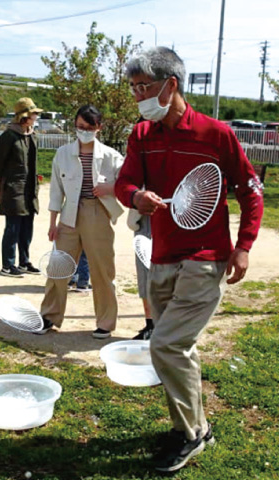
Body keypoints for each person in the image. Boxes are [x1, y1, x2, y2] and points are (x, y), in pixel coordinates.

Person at [115, 47, 263, 472]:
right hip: (161, 255)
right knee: (177, 349)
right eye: (134, 88)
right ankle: (189, 425)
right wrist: (135, 196)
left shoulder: (216, 134)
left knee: (165, 344)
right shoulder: (142, 136)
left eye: (144, 87)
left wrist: (244, 245)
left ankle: (193, 434)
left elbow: (250, 190)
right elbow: (125, 181)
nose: (138, 95)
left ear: (170, 85)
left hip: (205, 258)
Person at [39, 105, 124, 337]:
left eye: (88, 127)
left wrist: (109, 188)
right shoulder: (63, 153)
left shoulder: (111, 156)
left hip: (97, 212)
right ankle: (49, 317)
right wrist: (52, 223)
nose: (83, 131)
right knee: (58, 266)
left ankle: (105, 323)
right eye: (79, 127)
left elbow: (127, 184)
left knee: (102, 270)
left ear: (99, 128)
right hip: (68, 215)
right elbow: (56, 190)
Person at [0, 97, 42, 278]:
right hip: (14, 188)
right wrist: (4, 182)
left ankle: (24, 261)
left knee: (27, 226)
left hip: (30, 188)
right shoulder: (8, 137)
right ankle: (8, 264)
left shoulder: (32, 135)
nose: (36, 117)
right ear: (24, 116)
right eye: (33, 113)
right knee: (13, 227)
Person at [127, 210, 154, 339]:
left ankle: (160, 325)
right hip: (145, 215)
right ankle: (150, 323)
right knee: (144, 270)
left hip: (169, 212)